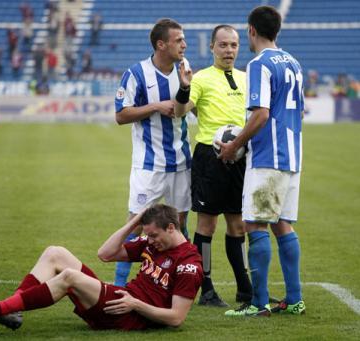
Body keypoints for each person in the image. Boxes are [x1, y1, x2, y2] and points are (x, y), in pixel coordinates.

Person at [0, 204, 203, 331]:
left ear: (172, 228)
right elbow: (104, 254)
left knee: (69, 277)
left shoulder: (189, 263)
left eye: (153, 235)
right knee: (55, 253)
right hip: (120, 302)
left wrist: (135, 304)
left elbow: (176, 318)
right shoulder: (153, 244)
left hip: (127, 314)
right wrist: (135, 222)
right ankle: (10, 311)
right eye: (146, 235)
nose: (149, 241)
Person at [218, 6, 306, 317]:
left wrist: (233, 146)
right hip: (293, 155)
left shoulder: (259, 64)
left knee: (253, 223)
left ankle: (258, 303)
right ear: (277, 31)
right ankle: (294, 299)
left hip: (269, 157)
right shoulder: (293, 63)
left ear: (251, 30)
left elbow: (261, 114)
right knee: (282, 224)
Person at [174, 25, 252, 307]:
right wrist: (184, 88)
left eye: (233, 45)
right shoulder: (201, 79)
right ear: (211, 47)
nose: (229, 50)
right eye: (223, 45)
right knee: (207, 224)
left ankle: (245, 289)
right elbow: (182, 110)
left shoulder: (247, 78)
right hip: (210, 157)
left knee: (239, 224)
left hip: (241, 157)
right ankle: (206, 289)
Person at [114, 18, 192, 287]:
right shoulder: (136, 74)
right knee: (136, 224)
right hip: (149, 165)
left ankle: (181, 281)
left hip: (182, 163)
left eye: (183, 39)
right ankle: (120, 285)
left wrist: (186, 90)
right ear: (161, 44)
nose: (184, 44)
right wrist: (155, 106)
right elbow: (121, 115)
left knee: (179, 225)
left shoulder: (187, 72)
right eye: (178, 39)